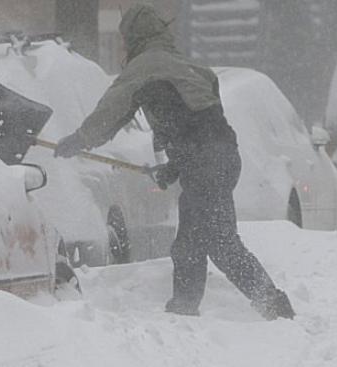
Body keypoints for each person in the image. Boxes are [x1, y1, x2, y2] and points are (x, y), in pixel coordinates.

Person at [53, 3, 295, 320]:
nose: (123, 46)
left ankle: (274, 306)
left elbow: (111, 111)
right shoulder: (191, 67)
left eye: (124, 38)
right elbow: (205, 125)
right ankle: (184, 309)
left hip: (204, 162)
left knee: (220, 243)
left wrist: (79, 140)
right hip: (222, 157)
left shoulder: (144, 67)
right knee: (191, 244)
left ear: (135, 36)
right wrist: (176, 167)